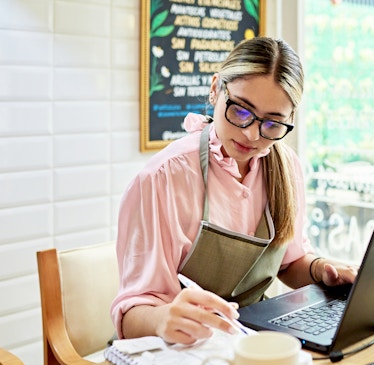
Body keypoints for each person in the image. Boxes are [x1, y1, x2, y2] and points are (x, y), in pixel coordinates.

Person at [111, 37, 357, 345]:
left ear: (290, 120)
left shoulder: (285, 167)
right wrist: (163, 319)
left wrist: (321, 269)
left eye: (272, 124)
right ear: (216, 89)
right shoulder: (163, 178)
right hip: (175, 351)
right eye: (241, 111)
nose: (251, 134)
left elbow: (290, 264)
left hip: (249, 343)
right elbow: (132, 314)